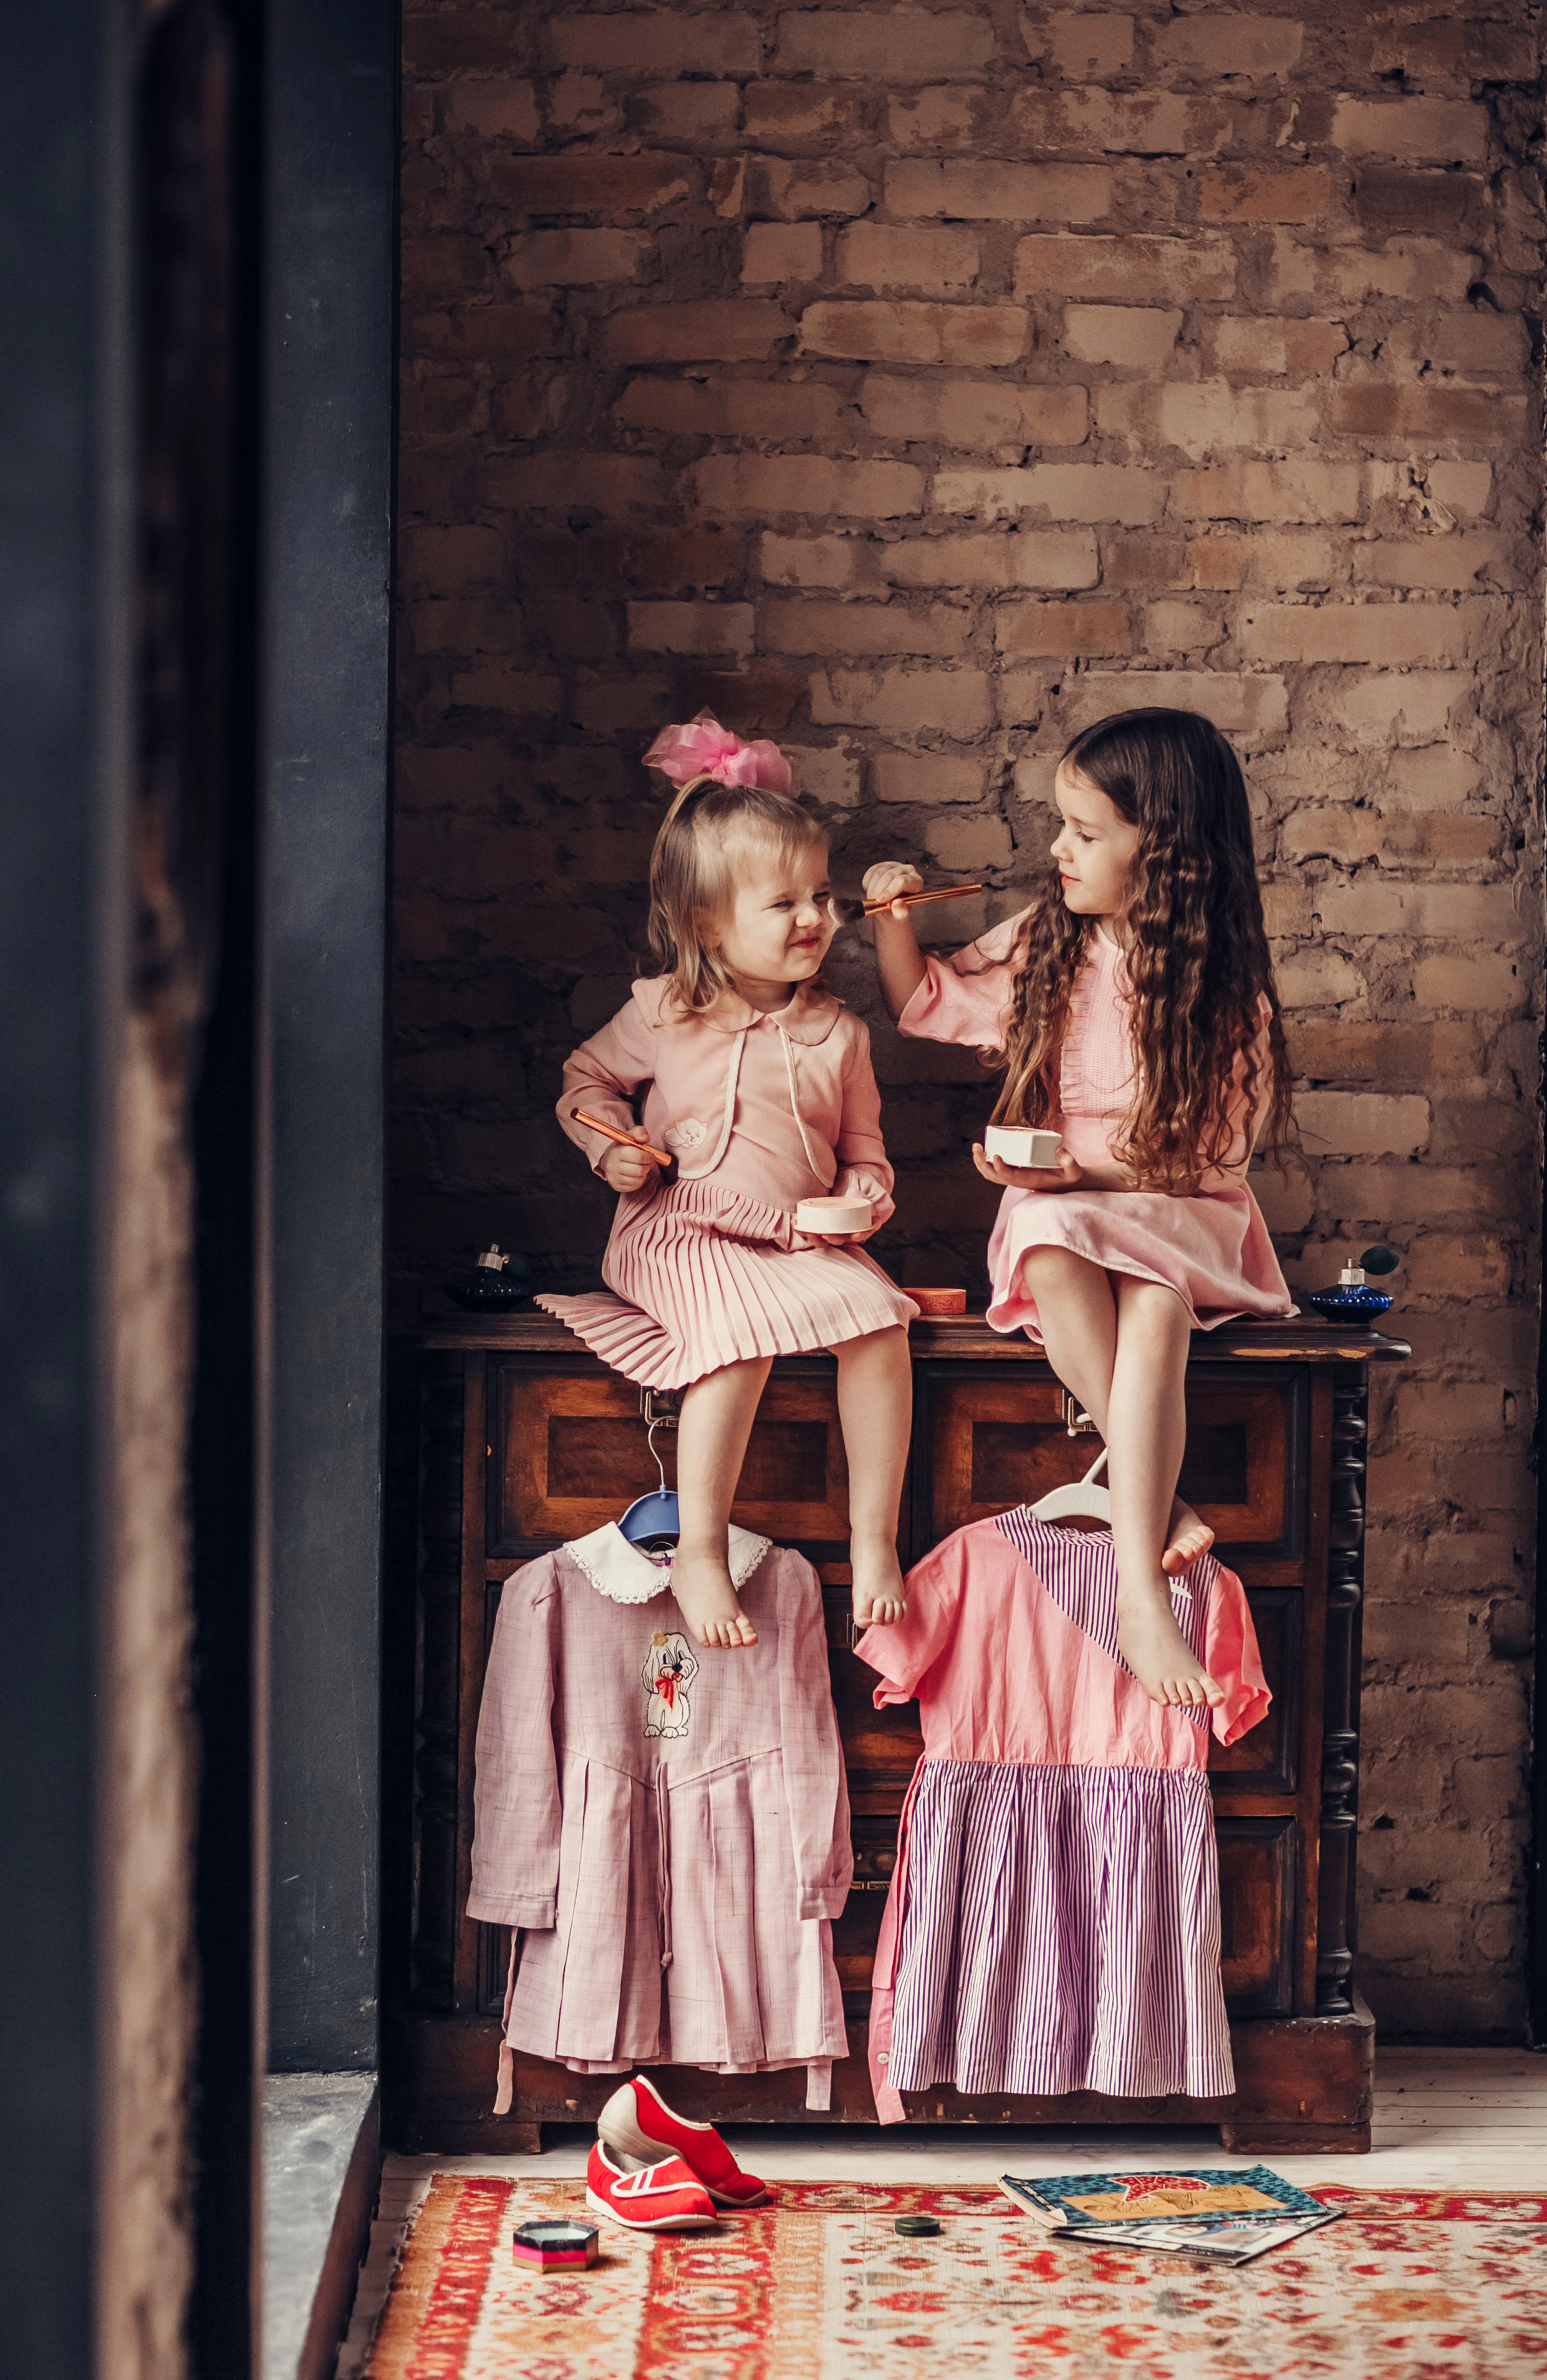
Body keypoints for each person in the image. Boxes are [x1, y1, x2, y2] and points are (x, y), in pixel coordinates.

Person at [865, 707, 1294, 1710]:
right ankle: (1161, 1495)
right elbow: (926, 1001)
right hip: (1066, 1213)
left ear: (1167, 852)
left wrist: (1079, 1171)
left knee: (1154, 1299)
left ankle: (1138, 1587)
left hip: (1182, 1217)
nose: (1059, 849)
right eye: (1061, 824)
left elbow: (1215, 1159)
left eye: (1086, 832)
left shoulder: (1222, 988)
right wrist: (895, 923)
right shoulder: (1049, 943)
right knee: (1048, 1238)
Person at [538, 710, 916, 1651]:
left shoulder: (841, 1034)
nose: (816, 919)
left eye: (822, 897)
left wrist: (866, 1197)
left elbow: (866, 1154)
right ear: (708, 923)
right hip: (678, 1230)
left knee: (882, 1326)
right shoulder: (664, 1011)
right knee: (736, 1339)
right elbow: (582, 1085)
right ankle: (700, 1548)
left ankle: (875, 1540)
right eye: (784, 903)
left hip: (796, 1241)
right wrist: (612, 1146)